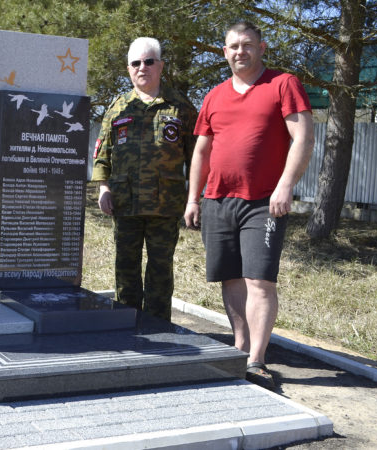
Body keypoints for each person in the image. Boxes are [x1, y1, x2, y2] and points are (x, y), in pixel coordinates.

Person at [184, 21, 314, 389]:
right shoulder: (214, 95)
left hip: (263, 202)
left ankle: (257, 359)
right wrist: (194, 198)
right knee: (230, 278)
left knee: (260, 280)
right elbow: (202, 151)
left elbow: (303, 137)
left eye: (247, 45)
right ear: (224, 52)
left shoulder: (282, 83)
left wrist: (285, 185)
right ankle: (239, 349)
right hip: (218, 200)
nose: (240, 51)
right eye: (232, 46)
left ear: (261, 47)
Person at [92, 37, 197, 322]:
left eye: (149, 61)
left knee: (160, 269)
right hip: (125, 203)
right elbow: (103, 154)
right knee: (125, 267)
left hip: (165, 203)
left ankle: (157, 326)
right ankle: (125, 323)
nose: (143, 67)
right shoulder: (117, 108)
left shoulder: (182, 108)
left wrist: (194, 199)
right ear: (128, 69)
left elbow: (197, 159)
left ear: (160, 66)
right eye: (136, 63)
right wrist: (103, 189)